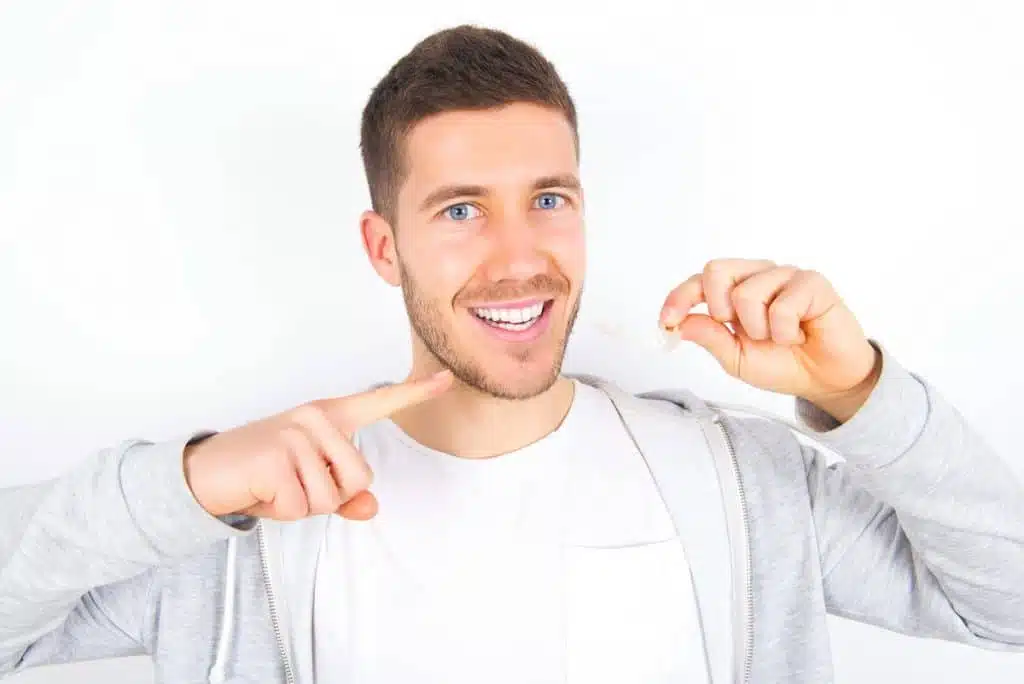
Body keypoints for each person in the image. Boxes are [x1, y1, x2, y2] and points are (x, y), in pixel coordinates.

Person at [2, 24, 1023, 684]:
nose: (518, 257)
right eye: (459, 210)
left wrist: (860, 395)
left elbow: (1006, 612)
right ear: (382, 245)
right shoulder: (249, 523)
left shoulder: (739, 484)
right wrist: (187, 481)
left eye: (547, 199)